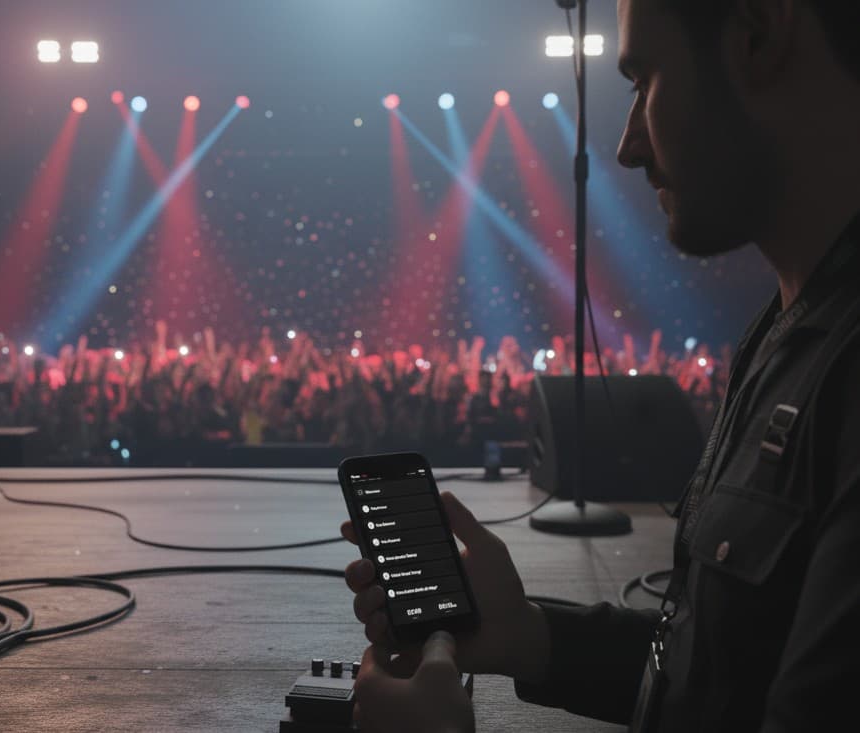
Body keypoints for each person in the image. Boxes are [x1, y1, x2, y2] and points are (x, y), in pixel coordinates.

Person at [340, 0, 860, 730]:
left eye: (644, 81)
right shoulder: (784, 331)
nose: (626, 145)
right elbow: (714, 672)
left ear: (759, 34)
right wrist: (528, 634)